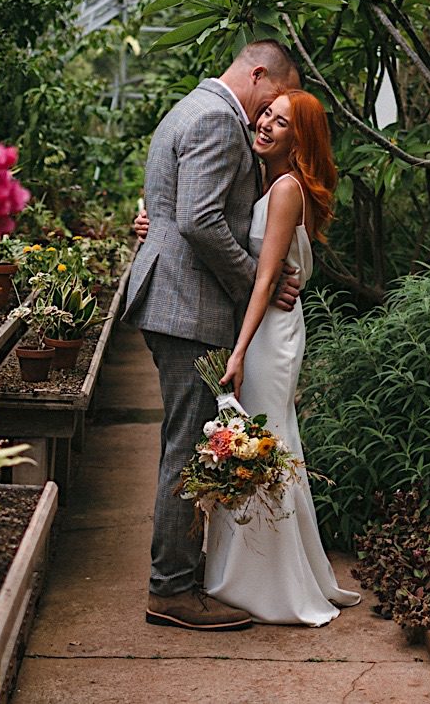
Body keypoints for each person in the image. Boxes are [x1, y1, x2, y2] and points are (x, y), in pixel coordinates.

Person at [119, 40, 302, 632]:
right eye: (271, 99)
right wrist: (259, 284)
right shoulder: (220, 121)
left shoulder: (187, 107)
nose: (266, 116)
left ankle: (180, 577)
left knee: (188, 441)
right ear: (256, 74)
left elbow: (173, 208)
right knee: (185, 447)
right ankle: (169, 590)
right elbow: (199, 219)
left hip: (170, 302)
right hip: (188, 309)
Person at [202, 89, 360, 625]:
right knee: (262, 443)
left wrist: (240, 351)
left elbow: (267, 277)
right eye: (266, 113)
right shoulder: (269, 184)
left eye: (282, 122)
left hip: (269, 336)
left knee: (267, 446)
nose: (266, 124)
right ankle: (247, 571)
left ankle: (272, 582)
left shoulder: (287, 189)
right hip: (265, 327)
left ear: (301, 139)